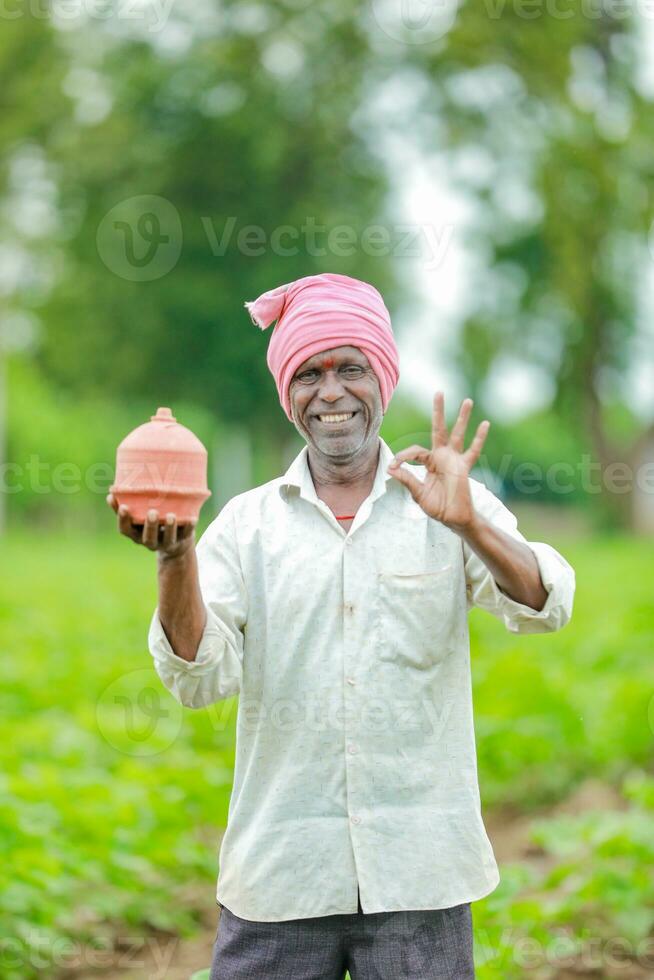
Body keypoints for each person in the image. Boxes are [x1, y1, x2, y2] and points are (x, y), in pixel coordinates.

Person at [107, 272, 575, 979]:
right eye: (309, 374)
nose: (331, 392)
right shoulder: (246, 527)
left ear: (382, 381)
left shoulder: (447, 504)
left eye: (351, 369)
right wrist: (176, 559)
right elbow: (200, 680)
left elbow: (545, 604)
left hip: (420, 878)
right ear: (288, 396)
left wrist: (472, 522)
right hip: (281, 878)